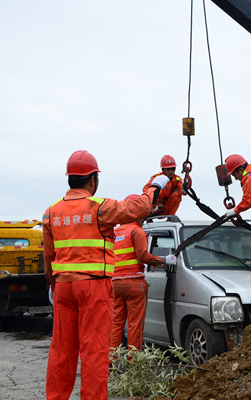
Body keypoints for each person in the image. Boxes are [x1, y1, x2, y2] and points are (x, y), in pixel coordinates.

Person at [42, 150, 174, 400]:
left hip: (62, 288)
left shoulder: (51, 212)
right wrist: (154, 186)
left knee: (62, 349)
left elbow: (49, 257)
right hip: (93, 287)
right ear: (93, 180)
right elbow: (140, 208)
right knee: (94, 349)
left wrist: (52, 283)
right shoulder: (100, 208)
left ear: (70, 179)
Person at [110, 194, 176, 352]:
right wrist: (164, 260)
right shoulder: (136, 231)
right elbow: (143, 256)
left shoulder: (115, 232)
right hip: (133, 283)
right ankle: (134, 362)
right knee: (135, 325)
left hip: (115, 283)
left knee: (116, 323)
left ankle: (109, 360)